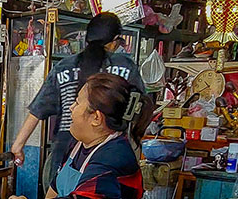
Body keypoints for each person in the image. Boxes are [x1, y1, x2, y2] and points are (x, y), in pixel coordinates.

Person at [8, 73, 148, 199]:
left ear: (96, 118)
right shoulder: (78, 145)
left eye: (77, 102)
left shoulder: (114, 156)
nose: (71, 108)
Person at [11, 12, 145, 166]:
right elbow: (139, 109)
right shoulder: (125, 66)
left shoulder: (64, 67)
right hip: (107, 152)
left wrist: (18, 145)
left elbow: (38, 109)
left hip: (63, 151)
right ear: (114, 41)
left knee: (60, 189)